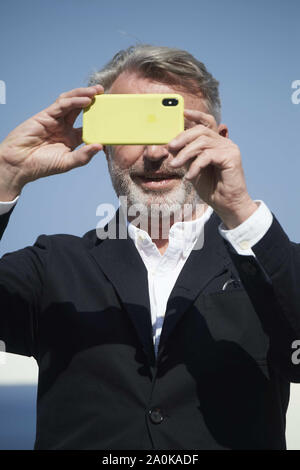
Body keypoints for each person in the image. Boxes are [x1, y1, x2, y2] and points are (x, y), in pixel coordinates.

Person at [0, 44, 299, 450]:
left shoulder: (267, 261)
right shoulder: (52, 266)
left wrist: (241, 211)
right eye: (133, 129)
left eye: (172, 127)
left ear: (218, 140)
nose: (156, 153)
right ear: (103, 142)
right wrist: (5, 175)